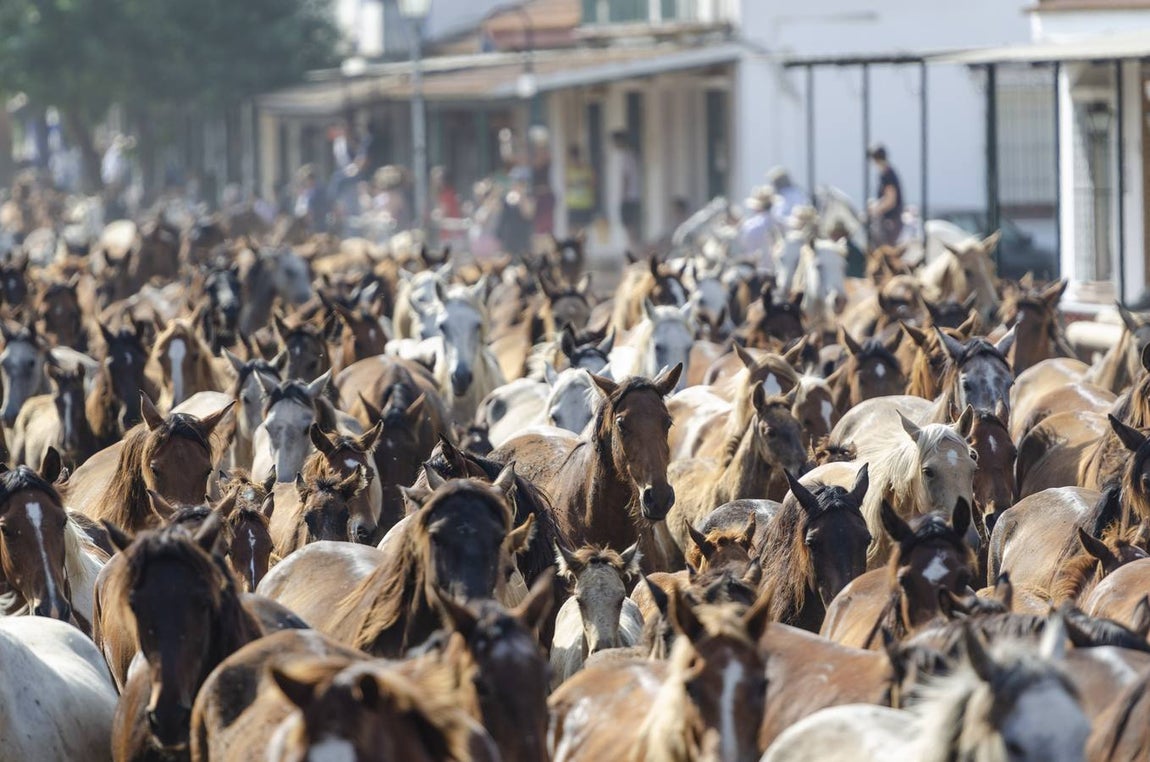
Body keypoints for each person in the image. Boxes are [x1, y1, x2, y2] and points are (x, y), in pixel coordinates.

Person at [738, 185, 781, 270]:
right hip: (777, 272)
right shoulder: (780, 223)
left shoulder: (749, 225)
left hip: (756, 273)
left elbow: (745, 250)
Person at [868, 143, 903, 246]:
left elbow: (890, 199)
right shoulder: (888, 172)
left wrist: (875, 210)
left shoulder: (887, 174)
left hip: (890, 221)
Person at [612, 131, 642, 249]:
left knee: (630, 226)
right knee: (628, 226)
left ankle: (633, 248)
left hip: (628, 197)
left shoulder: (625, 156)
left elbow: (626, 177)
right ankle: (631, 247)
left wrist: (623, 195)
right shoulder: (627, 155)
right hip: (630, 197)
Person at [565, 145, 595, 230]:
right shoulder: (569, 170)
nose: (574, 161)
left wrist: (582, 183)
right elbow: (566, 185)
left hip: (585, 204)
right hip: (573, 204)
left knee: (584, 230)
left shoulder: (587, 169)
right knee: (573, 229)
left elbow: (593, 184)